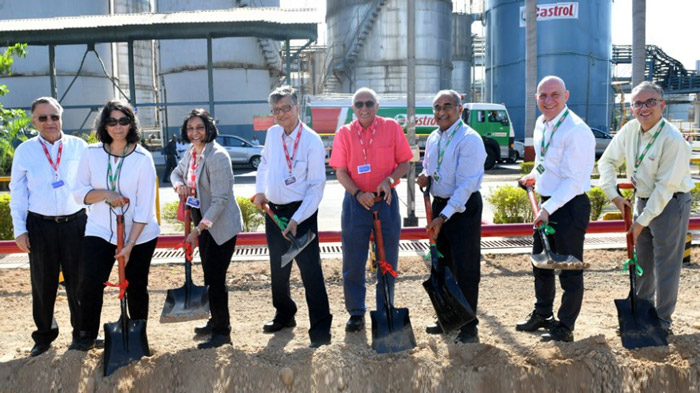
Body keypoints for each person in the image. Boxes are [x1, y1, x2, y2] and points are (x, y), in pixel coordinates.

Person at [598, 81, 693, 336]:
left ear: (662, 105)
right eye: (638, 103)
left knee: (666, 264)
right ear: (631, 108)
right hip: (642, 200)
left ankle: (662, 320)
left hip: (671, 203)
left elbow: (664, 189)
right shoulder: (630, 130)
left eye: (650, 102)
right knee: (642, 260)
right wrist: (615, 196)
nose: (644, 108)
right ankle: (641, 313)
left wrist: (640, 223)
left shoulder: (672, 139)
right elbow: (605, 162)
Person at [70, 100, 160, 350]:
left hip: (139, 234)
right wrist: (106, 194)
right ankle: (86, 335)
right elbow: (79, 194)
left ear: (131, 124)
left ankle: (137, 335)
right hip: (100, 229)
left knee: (136, 284)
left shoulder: (143, 158)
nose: (118, 126)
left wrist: (129, 245)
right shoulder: (91, 153)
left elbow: (144, 208)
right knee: (89, 282)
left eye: (123, 121)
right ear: (104, 125)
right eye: (112, 121)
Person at [516, 76, 595, 342]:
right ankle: (543, 314)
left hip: (570, 206)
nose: (548, 101)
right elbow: (543, 159)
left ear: (566, 96)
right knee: (540, 263)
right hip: (548, 203)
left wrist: (547, 208)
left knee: (569, 268)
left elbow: (574, 181)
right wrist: (534, 177)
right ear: (536, 98)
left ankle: (565, 326)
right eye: (543, 96)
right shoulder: (542, 123)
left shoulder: (577, 130)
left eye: (554, 95)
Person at [253, 86, 332, 348]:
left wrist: (298, 219)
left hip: (302, 213)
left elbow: (316, 187)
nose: (281, 114)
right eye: (276, 110)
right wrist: (261, 192)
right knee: (279, 268)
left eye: (286, 108)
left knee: (311, 272)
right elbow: (264, 163)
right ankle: (285, 314)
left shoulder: (311, 140)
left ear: (298, 107)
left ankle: (321, 330)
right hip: (274, 212)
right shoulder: (273, 134)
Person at [329, 87, 413, 332]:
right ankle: (356, 312)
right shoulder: (344, 133)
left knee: (387, 259)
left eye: (368, 103)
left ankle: (385, 307)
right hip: (356, 203)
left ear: (377, 106)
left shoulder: (391, 128)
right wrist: (357, 193)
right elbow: (340, 171)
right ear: (353, 109)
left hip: (385, 202)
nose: (363, 108)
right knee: (353, 260)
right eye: (358, 104)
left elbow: (404, 163)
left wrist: (389, 180)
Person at [9, 97, 88, 357]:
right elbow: (17, 192)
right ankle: (44, 336)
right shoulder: (25, 151)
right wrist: (19, 229)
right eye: (42, 118)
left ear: (61, 117)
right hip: (40, 226)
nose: (49, 122)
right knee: (43, 284)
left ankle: (82, 333)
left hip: (76, 223)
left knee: (79, 281)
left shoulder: (79, 147)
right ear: (34, 122)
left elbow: (90, 185)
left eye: (54, 116)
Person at [416, 90, 486, 343]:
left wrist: (443, 217)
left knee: (466, 269)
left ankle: (469, 326)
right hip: (440, 206)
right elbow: (430, 167)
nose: (441, 112)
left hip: (463, 209)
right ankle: (448, 318)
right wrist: (426, 176)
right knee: (442, 265)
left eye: (447, 106)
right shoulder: (435, 137)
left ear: (459, 109)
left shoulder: (470, 140)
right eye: (437, 107)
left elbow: (466, 186)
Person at [171, 108, 244, 349]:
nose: (195, 132)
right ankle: (215, 321)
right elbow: (175, 174)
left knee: (215, 278)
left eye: (199, 128)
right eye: (190, 128)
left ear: (209, 128)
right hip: (203, 222)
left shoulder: (217, 156)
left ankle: (223, 332)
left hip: (219, 225)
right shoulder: (192, 153)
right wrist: (179, 184)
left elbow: (221, 200)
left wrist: (199, 229)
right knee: (210, 277)